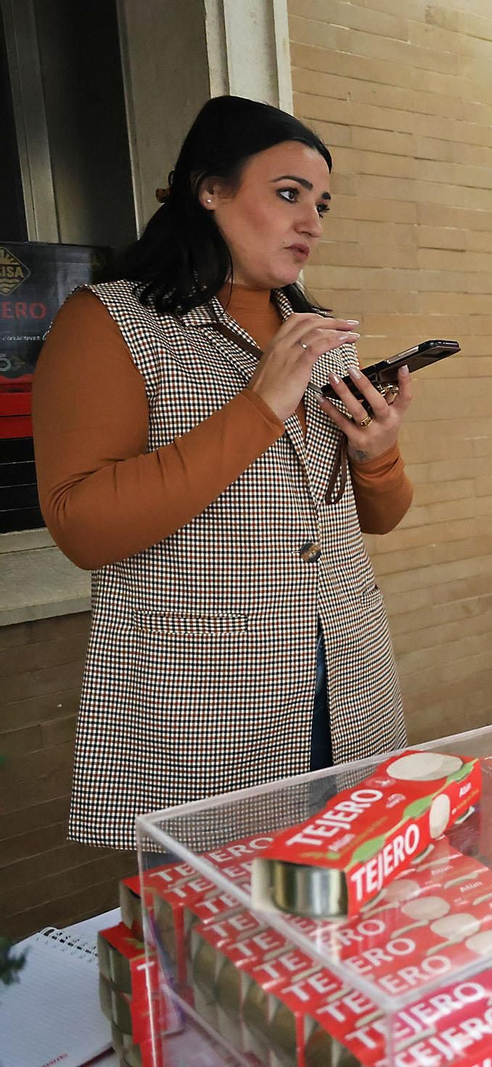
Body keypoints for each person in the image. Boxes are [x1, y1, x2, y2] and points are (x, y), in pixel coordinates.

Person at [33, 96, 414, 850]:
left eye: (321, 204)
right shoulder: (110, 321)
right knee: (214, 937)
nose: (311, 222)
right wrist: (262, 407)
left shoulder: (317, 331)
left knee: (347, 904)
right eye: (287, 194)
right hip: (204, 698)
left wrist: (378, 455)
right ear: (209, 190)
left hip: (348, 674)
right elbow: (81, 523)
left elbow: (376, 518)